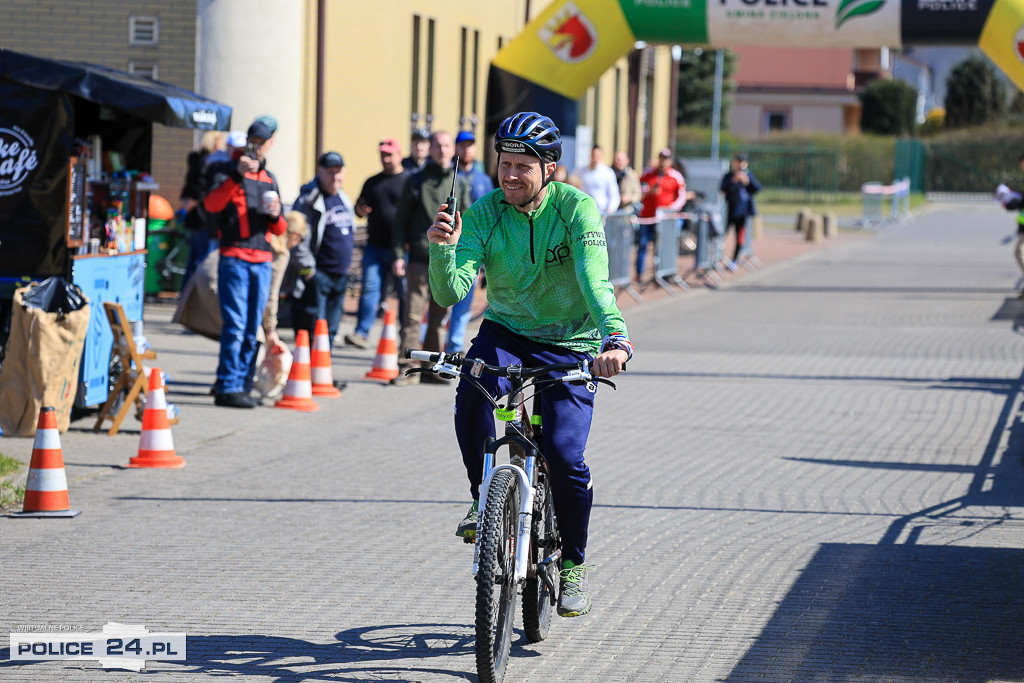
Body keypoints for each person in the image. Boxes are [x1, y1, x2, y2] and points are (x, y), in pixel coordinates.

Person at [427, 111, 632, 617]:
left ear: (550, 168)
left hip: (572, 339)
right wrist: (442, 250)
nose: (511, 175)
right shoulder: (484, 213)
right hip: (506, 331)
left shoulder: (576, 211)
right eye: (505, 164)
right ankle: (482, 498)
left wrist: (615, 339)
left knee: (564, 454)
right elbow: (449, 293)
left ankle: (573, 567)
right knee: (472, 390)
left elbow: (594, 280)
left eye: (523, 166)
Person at [202, 118, 287, 408]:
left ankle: (243, 383)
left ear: (270, 145)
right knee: (236, 326)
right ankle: (227, 386)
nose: (257, 148)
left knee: (252, 329)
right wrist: (237, 176)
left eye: (263, 143)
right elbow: (211, 205)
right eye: (253, 142)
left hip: (261, 260)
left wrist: (276, 215)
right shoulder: (224, 170)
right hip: (235, 258)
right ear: (247, 141)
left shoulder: (269, 177)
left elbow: (280, 229)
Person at [391, 130, 471, 386]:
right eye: (438, 146)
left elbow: (467, 221)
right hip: (418, 257)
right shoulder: (415, 180)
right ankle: (408, 367)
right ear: (430, 148)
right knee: (413, 315)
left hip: (448, 260)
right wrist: (398, 254)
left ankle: (432, 367)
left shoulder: (461, 182)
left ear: (453, 149)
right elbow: (400, 220)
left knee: (439, 317)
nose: (442, 150)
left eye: (447, 146)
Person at [345, 138, 410, 349]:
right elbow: (360, 209)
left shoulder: (409, 181)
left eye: (390, 154)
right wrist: (360, 210)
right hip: (375, 245)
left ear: (399, 155)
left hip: (400, 248)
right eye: (383, 154)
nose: (386, 158)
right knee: (370, 289)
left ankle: (405, 336)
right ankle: (361, 333)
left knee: (404, 292)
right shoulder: (372, 182)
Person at [290, 151, 356, 345]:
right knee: (313, 330)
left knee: (331, 331)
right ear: (320, 171)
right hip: (318, 276)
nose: (335, 176)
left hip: (340, 276)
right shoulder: (308, 200)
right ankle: (309, 374)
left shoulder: (343, 197)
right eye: (330, 172)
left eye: (339, 171)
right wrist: (309, 271)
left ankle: (323, 374)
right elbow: (296, 239)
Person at [446, 130, 495, 355]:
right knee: (438, 297)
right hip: (447, 244)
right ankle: (431, 341)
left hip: (472, 247)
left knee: (464, 298)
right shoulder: (448, 175)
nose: (467, 149)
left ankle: (455, 345)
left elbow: (491, 215)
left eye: (470, 145)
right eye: (462, 145)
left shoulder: (484, 180)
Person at [180, 130, 223, 287]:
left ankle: (187, 289)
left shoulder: (198, 158)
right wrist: (195, 200)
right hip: (202, 215)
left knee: (195, 256)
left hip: (196, 215)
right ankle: (195, 290)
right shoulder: (208, 161)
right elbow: (199, 185)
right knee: (203, 257)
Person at [637, 148, 686, 284]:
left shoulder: (676, 176)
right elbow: (640, 190)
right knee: (643, 244)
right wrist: (648, 192)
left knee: (662, 246)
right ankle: (639, 275)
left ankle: (662, 274)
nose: (663, 161)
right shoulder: (648, 173)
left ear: (670, 160)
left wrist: (670, 209)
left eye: (666, 158)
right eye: (661, 158)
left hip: (665, 219)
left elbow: (681, 198)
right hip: (647, 216)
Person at [720, 153, 762, 270]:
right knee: (722, 235)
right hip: (729, 210)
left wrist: (747, 181)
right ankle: (718, 258)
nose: (739, 164)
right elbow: (722, 188)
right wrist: (733, 180)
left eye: (742, 162)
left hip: (742, 212)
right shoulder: (729, 176)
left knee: (740, 236)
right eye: (737, 161)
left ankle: (734, 259)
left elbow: (757, 188)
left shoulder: (748, 175)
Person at [578, 145, 619, 215]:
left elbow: (614, 194)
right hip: (585, 211)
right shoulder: (581, 171)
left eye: (597, 155)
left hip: (602, 213)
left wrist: (610, 209)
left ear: (602, 156)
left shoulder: (608, 172)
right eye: (593, 155)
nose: (595, 158)